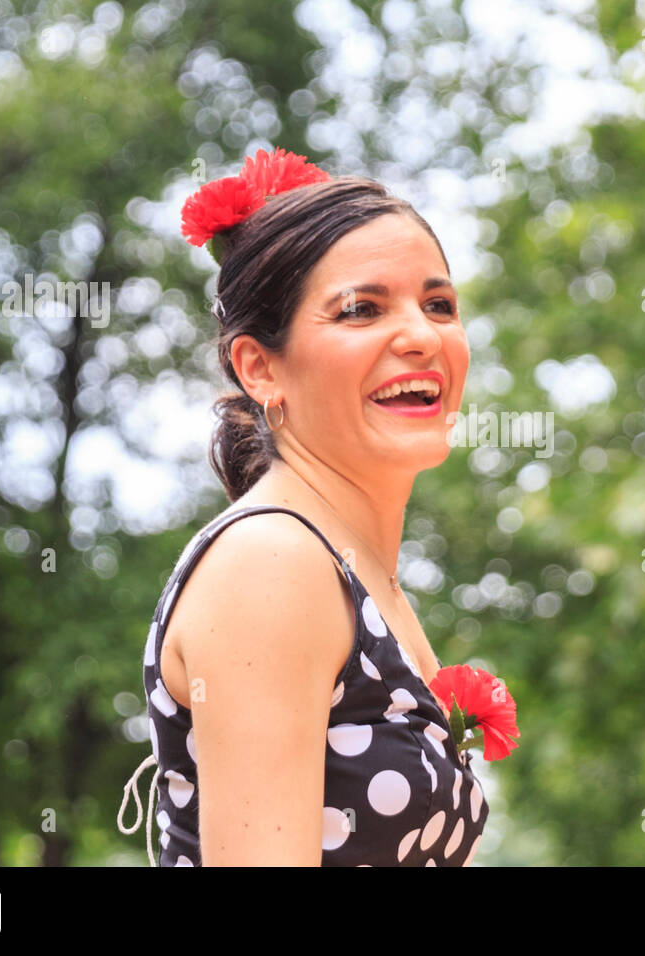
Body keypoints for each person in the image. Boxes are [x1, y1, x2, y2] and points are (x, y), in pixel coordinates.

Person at [117, 149, 487, 865]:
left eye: (438, 304)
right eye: (361, 309)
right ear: (260, 368)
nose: (421, 335)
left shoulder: (358, 577)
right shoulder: (273, 562)